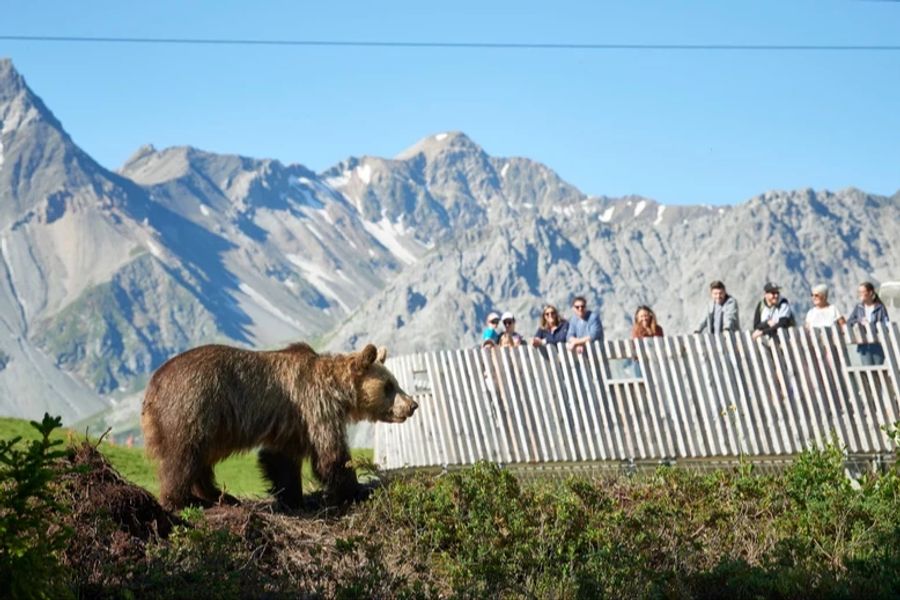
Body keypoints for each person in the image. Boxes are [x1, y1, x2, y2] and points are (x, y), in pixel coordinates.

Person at [846, 281, 890, 365]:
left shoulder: (880, 308)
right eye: (859, 292)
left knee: (878, 369)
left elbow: (886, 324)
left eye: (862, 292)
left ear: (870, 293)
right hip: (863, 345)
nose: (860, 294)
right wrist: (859, 322)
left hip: (877, 344)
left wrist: (872, 326)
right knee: (867, 369)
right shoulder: (858, 307)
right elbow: (849, 322)